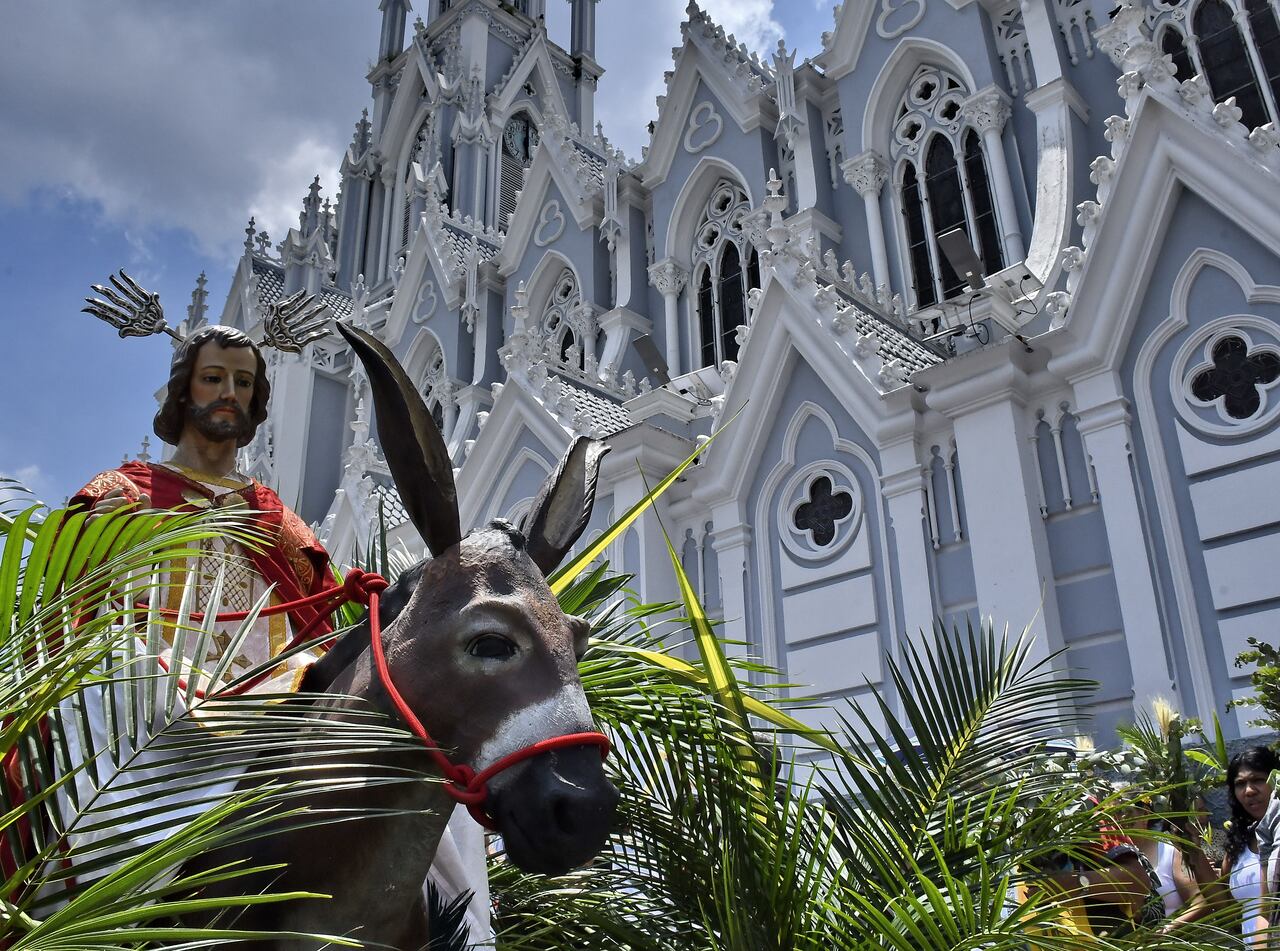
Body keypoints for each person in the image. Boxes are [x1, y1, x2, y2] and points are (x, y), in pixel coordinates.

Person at [63, 321, 494, 943]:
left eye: (243, 382)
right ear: (183, 391)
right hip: (148, 701)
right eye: (213, 378)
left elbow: (322, 620)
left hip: (267, 704)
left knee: (417, 750)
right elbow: (74, 611)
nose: (228, 393)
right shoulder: (121, 498)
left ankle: (455, 927)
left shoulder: (274, 519)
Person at [1220, 747, 1280, 946]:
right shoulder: (1238, 843)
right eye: (1240, 784)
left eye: (1257, 780)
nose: (1249, 791)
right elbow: (1224, 903)